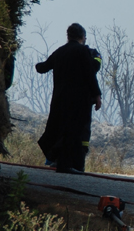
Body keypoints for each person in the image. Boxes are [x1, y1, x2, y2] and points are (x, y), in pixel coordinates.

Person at [36, 23, 102, 175]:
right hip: (77, 100)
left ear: (68, 36)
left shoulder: (61, 51)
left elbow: (43, 67)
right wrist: (97, 95)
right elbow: (90, 74)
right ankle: (65, 164)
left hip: (59, 98)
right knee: (73, 131)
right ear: (82, 37)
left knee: (58, 129)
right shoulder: (83, 51)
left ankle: (64, 161)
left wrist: (37, 65)